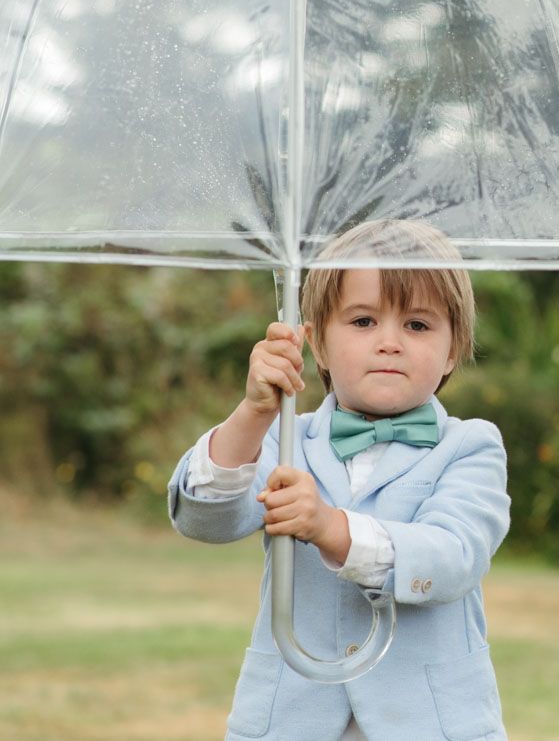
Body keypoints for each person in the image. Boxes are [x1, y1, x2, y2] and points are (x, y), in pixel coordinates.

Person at [166, 219, 510, 741]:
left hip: (429, 726)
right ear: (317, 344)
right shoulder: (287, 441)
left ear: (453, 349)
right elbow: (203, 517)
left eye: (417, 325)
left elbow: (453, 556)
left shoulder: (471, 447)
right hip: (289, 722)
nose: (390, 342)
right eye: (364, 321)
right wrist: (256, 413)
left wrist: (331, 527)